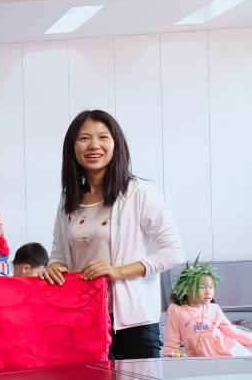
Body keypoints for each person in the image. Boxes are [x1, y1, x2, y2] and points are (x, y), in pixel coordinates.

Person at [40, 110, 184, 360]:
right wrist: (54, 266)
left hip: (134, 323)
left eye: (103, 137)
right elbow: (59, 252)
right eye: (84, 138)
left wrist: (117, 271)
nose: (94, 145)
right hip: (83, 319)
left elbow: (174, 251)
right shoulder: (68, 199)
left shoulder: (139, 192)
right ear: (72, 147)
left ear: (116, 144)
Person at [163, 259, 252, 357]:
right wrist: (181, 357)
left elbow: (232, 331)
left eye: (211, 287)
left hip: (231, 353)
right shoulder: (175, 309)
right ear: (187, 290)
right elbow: (170, 348)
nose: (208, 292)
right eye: (202, 287)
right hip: (203, 362)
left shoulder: (214, 308)